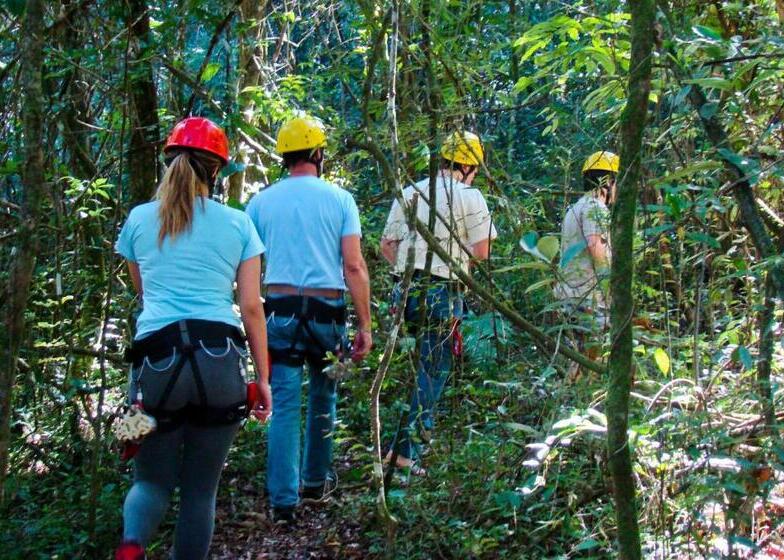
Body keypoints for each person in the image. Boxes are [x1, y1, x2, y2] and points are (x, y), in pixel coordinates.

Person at [114, 117, 271, 560]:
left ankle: (130, 546)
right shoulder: (238, 225)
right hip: (219, 361)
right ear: (217, 172)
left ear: (169, 163)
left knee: (150, 482)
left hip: (156, 364)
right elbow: (252, 307)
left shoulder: (140, 220)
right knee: (201, 492)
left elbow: (144, 293)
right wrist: (262, 379)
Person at [246, 116, 372, 522]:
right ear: (319, 154)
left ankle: (284, 502)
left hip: (278, 311)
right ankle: (315, 483)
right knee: (324, 395)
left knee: (283, 404)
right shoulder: (340, 200)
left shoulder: (261, 202)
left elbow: (249, 267)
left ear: (285, 155)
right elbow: (352, 265)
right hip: (326, 313)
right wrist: (365, 324)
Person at [380, 131, 497, 474]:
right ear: (467, 166)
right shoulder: (470, 196)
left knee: (417, 368)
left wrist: (406, 271)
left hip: (406, 290)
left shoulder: (410, 191)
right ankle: (404, 450)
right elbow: (483, 251)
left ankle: (410, 438)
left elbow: (388, 245)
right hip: (443, 291)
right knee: (433, 370)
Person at [553, 150, 619, 379]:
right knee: (593, 359)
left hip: (569, 295)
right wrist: (612, 289)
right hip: (587, 297)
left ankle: (568, 404)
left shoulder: (575, 208)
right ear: (608, 182)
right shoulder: (595, 208)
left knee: (578, 360)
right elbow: (596, 249)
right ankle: (584, 406)